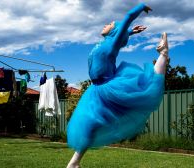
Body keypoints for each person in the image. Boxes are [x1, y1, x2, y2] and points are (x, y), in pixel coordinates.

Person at [66, 3, 168, 168]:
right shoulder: (105, 42)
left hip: (108, 86)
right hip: (96, 90)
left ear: (114, 31)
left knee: (147, 88)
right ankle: (74, 163)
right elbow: (119, 36)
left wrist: (142, 6)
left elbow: (128, 17)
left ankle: (163, 53)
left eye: (110, 24)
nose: (106, 25)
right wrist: (129, 32)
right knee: (89, 125)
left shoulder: (111, 44)